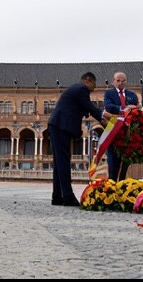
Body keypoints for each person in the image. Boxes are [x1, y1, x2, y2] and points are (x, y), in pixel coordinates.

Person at [47, 72, 109, 206]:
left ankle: (57, 196)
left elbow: (86, 109)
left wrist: (101, 119)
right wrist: (106, 118)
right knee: (63, 162)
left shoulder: (75, 89)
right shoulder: (81, 89)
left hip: (57, 126)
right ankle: (68, 197)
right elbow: (90, 107)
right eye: (94, 85)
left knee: (59, 163)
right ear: (88, 81)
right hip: (60, 126)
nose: (94, 88)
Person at [103, 72, 139, 180]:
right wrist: (124, 109)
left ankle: (123, 183)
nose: (120, 83)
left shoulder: (132, 95)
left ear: (126, 82)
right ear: (113, 82)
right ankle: (112, 184)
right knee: (112, 165)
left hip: (128, 134)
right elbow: (108, 106)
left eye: (123, 81)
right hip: (113, 132)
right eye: (118, 81)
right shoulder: (109, 93)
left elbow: (136, 108)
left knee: (125, 165)